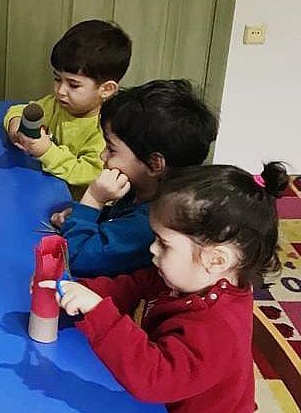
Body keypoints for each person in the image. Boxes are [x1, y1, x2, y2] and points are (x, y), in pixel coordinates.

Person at [38, 162, 289, 413]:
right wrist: (80, 291)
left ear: (216, 260)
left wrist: (98, 312)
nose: (152, 250)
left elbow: (154, 378)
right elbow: (132, 286)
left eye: (164, 243)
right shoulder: (187, 279)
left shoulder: (217, 329)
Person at [50, 79, 218, 277]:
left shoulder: (151, 223)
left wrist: (93, 201)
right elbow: (118, 219)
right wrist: (84, 217)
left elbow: (75, 259)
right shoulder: (143, 189)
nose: (103, 156)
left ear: (154, 164)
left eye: (111, 149)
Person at [3, 19, 132, 195]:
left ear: (106, 89)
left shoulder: (107, 128)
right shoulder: (57, 104)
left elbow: (90, 174)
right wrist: (16, 126)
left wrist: (46, 151)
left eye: (73, 85)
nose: (61, 91)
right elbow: (20, 110)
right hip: (44, 191)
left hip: (78, 204)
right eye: (57, 79)